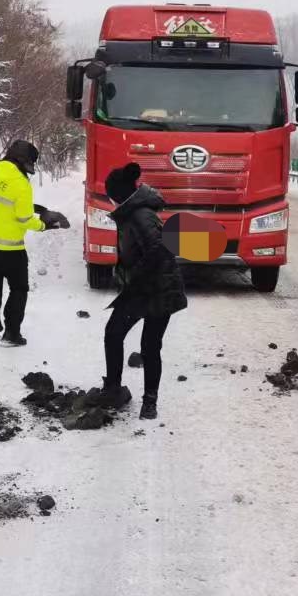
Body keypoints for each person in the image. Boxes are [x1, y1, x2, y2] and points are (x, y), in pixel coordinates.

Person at [99, 162, 187, 420]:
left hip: (159, 289)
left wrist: (133, 273)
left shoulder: (140, 215)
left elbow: (159, 249)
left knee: (148, 346)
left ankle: (150, 402)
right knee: (114, 333)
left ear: (119, 195)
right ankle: (113, 388)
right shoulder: (134, 212)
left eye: (111, 196)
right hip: (143, 287)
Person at [0, 139, 67, 347]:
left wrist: (36, 207)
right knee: (19, 289)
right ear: (24, 162)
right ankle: (11, 333)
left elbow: (4, 201)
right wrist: (45, 225)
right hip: (10, 249)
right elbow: (24, 219)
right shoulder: (21, 183)